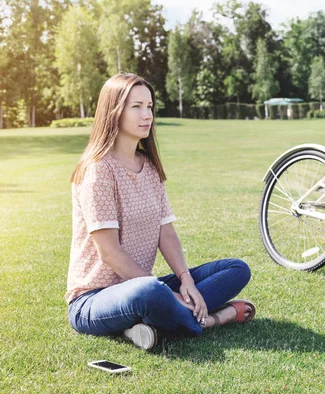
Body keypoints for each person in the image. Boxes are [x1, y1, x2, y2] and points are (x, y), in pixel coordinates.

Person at [66, 73, 255, 350]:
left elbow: (165, 232)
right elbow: (110, 253)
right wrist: (166, 292)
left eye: (150, 107)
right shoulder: (97, 170)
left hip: (146, 284)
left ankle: (152, 323)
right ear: (114, 112)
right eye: (136, 107)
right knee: (151, 292)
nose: (147, 115)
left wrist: (185, 281)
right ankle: (215, 319)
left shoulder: (150, 167)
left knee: (236, 269)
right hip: (95, 299)